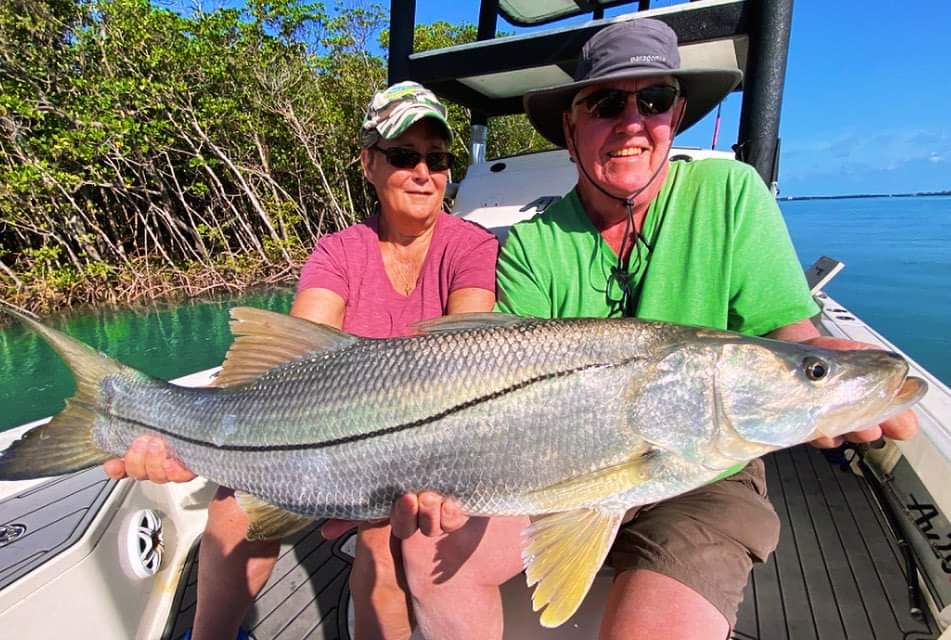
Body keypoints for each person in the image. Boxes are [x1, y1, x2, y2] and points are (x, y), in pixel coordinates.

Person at [488, 18, 920, 639]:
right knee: (421, 558)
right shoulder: (533, 243)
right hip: (558, 467)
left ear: (678, 113)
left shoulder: (730, 192)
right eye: (606, 102)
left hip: (706, 476)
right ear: (570, 125)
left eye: (655, 100)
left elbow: (786, 331)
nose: (633, 121)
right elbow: (507, 383)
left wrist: (820, 365)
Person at [102, 81, 526, 640]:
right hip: (324, 444)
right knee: (231, 511)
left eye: (438, 159)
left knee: (382, 555)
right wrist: (192, 439)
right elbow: (298, 358)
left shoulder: (471, 247)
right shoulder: (337, 251)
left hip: (414, 457)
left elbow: (470, 358)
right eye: (404, 156)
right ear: (369, 163)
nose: (424, 172)